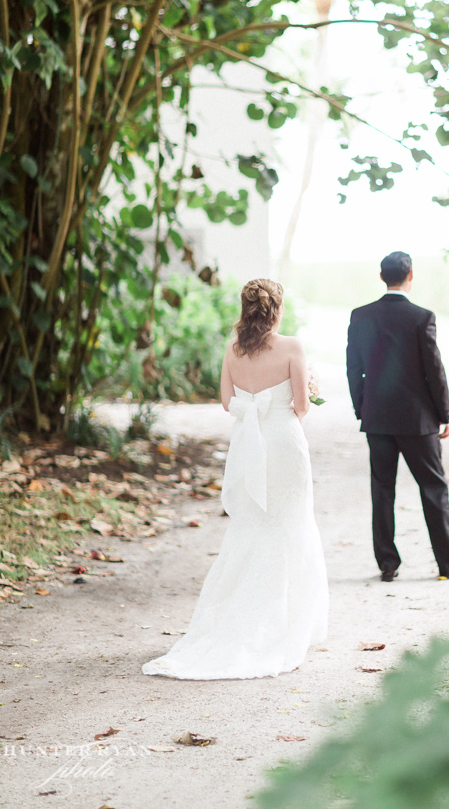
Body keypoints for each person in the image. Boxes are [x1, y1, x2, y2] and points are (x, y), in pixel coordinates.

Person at [142, 278, 328, 679]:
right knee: (290, 524)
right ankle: (288, 623)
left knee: (254, 526)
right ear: (276, 309)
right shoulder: (293, 347)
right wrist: (306, 391)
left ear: (246, 309)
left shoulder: (232, 349)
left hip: (249, 445)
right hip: (284, 443)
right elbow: (301, 406)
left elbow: (228, 403)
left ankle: (237, 619)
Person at [346, 251, 449, 582]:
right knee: (434, 488)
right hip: (418, 421)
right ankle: (448, 564)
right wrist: (443, 414)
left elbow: (354, 369)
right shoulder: (422, 317)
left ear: (381, 277)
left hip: (377, 419)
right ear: (411, 276)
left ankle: (388, 565)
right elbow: (434, 369)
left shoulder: (360, 316)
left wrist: (363, 408)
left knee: (382, 490)